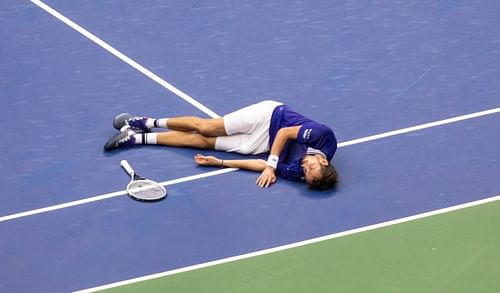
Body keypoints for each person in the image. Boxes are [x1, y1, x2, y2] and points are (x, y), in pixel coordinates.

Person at [104, 100, 338, 190]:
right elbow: (285, 133)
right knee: (207, 127)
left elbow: (263, 164)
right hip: (268, 117)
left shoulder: (300, 174)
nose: (304, 167)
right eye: (310, 167)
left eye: (306, 173)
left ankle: (135, 138)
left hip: (260, 145)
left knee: (202, 142)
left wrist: (221, 163)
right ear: (323, 160)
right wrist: (271, 165)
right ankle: (145, 122)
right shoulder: (323, 137)